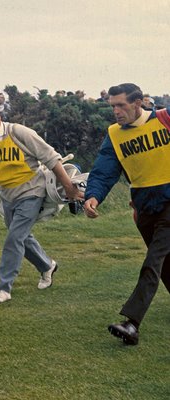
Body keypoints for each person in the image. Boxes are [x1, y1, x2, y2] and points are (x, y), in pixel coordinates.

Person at [0, 98, 83, 304]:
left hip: (32, 190)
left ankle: (3, 288)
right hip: (6, 194)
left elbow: (51, 157)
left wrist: (67, 186)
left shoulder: (18, 132)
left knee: (14, 237)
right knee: (20, 236)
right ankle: (47, 266)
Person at [84, 83, 170, 346]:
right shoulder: (114, 134)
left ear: (138, 103)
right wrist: (94, 196)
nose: (116, 112)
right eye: (112, 106)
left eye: (121, 105)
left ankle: (132, 323)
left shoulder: (165, 120)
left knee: (153, 260)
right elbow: (105, 169)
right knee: (165, 263)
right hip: (144, 204)